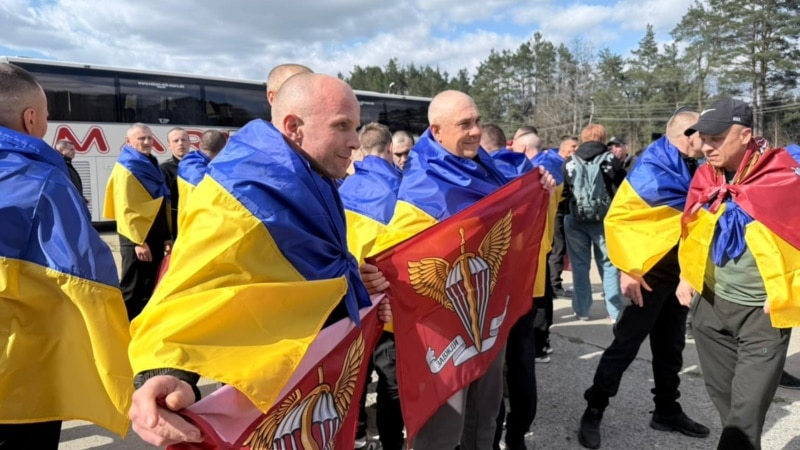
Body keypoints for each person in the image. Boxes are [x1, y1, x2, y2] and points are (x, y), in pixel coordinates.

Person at [127, 74, 392, 448]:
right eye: (343, 126)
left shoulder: (314, 175)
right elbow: (189, 286)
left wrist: (353, 284)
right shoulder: (243, 191)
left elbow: (301, 269)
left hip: (315, 388)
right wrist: (166, 373)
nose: (355, 140)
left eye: (357, 126)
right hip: (271, 396)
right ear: (293, 126)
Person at [370, 90, 556, 450]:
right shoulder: (425, 184)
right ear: (436, 131)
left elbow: (511, 225)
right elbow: (398, 258)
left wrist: (540, 188)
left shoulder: (484, 167)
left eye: (477, 121)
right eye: (464, 124)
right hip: (443, 330)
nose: (474, 131)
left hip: (487, 317)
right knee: (441, 430)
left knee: (484, 417)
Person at [0, 62, 132, 448]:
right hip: (18, 376)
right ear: (29, 119)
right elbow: (88, 279)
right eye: (44, 115)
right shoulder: (41, 181)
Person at [577, 110, 710, 449]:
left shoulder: (696, 164)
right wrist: (626, 268)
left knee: (671, 346)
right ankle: (594, 408)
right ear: (688, 136)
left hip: (679, 272)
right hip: (647, 274)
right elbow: (619, 219)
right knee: (625, 344)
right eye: (703, 137)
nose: (708, 143)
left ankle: (666, 409)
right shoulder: (653, 166)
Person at [676, 98, 800, 450]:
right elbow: (691, 229)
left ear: (745, 134)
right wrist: (688, 275)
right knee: (727, 405)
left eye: (715, 137)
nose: (705, 145)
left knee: (743, 419)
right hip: (710, 307)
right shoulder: (705, 175)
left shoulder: (783, 175)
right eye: (702, 137)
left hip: (762, 313)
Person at [340, 122, 404, 450]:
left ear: (361, 150)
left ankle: (356, 434)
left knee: (355, 377)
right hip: (389, 309)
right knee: (392, 383)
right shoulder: (404, 193)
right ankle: (393, 442)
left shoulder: (339, 189)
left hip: (348, 304)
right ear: (390, 149)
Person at [103, 123, 173, 320]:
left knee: (151, 286)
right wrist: (138, 242)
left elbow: (160, 203)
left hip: (155, 236)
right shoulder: (127, 167)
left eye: (149, 138)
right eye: (141, 138)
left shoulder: (149, 162)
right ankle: (124, 329)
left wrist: (166, 236)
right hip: (137, 239)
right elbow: (126, 207)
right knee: (133, 288)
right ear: (128, 141)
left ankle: (143, 328)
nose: (147, 142)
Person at [563, 124, 626, 321]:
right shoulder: (611, 160)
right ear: (603, 138)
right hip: (605, 219)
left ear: (583, 138)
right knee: (608, 265)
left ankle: (582, 310)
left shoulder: (569, 161)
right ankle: (615, 312)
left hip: (575, 219)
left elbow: (565, 191)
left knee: (580, 266)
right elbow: (623, 188)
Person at [176, 130, 226, 230]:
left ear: (200, 145)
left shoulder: (187, 162)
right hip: (201, 227)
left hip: (186, 223)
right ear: (223, 149)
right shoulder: (209, 175)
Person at [549, 135, 579, 297]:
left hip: (563, 211)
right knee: (557, 249)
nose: (576, 150)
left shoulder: (567, 164)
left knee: (559, 248)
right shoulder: (553, 163)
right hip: (556, 212)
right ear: (563, 147)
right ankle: (554, 286)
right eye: (573, 146)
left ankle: (554, 284)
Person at [160, 127, 190, 237]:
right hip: (176, 223)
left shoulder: (200, 166)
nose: (180, 144)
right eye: (176, 141)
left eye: (184, 140)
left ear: (190, 143)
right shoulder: (164, 169)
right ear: (169, 146)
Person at [54, 139, 87, 203]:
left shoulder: (66, 165)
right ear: (61, 150)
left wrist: (81, 198)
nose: (74, 152)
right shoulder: (60, 166)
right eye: (71, 149)